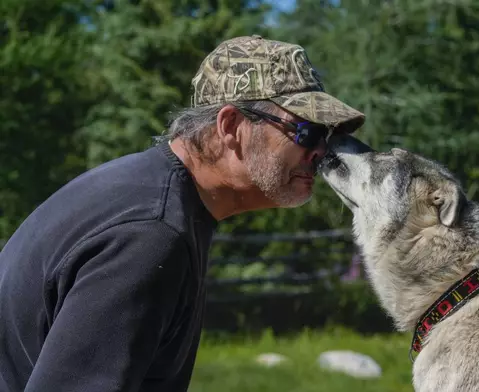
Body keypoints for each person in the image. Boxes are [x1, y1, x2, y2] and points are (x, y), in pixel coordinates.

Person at [0, 35, 365, 392]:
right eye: (306, 131)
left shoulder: (153, 194)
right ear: (231, 127)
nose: (321, 151)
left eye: (326, 136)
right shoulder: (150, 234)